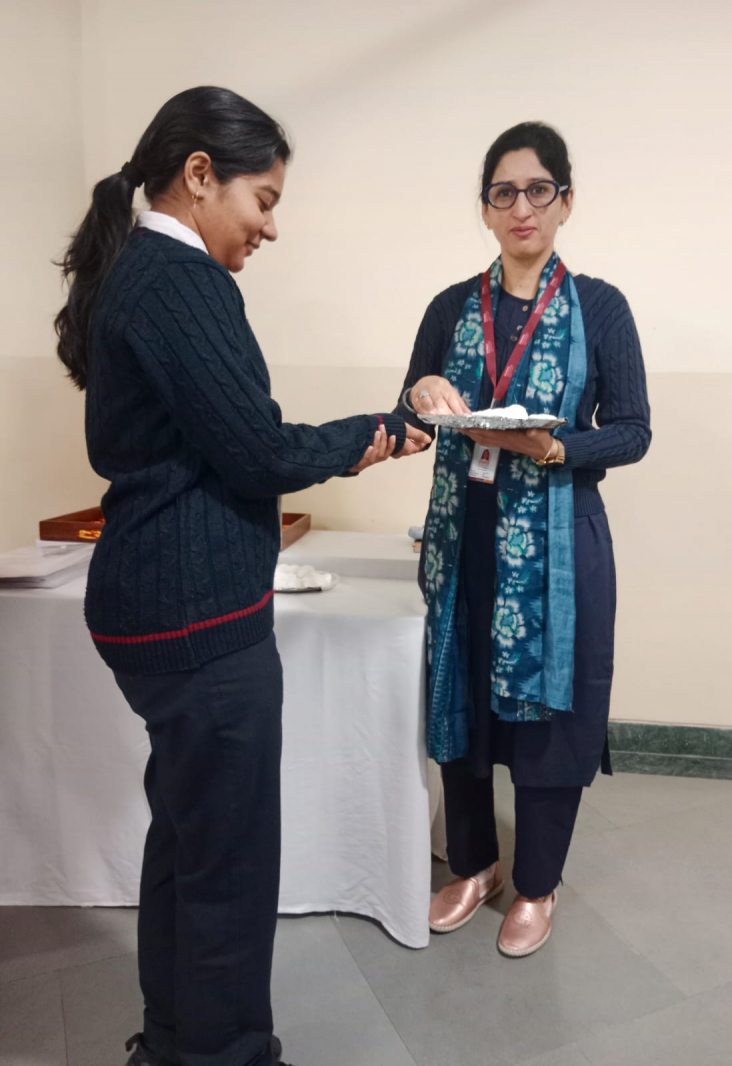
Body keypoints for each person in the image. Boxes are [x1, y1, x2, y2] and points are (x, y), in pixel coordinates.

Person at [54, 85, 429, 1066]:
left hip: (153, 605)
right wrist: (376, 432)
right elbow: (257, 451)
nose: (270, 226)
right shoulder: (181, 281)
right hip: (194, 616)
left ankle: (172, 1043)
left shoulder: (138, 272)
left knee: (188, 841)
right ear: (198, 176)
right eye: (262, 200)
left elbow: (222, 442)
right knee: (227, 862)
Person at [397, 122, 650, 958]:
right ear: (485, 209)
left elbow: (634, 430)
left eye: (539, 189)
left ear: (566, 201)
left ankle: (536, 883)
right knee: (461, 704)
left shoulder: (599, 307)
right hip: (464, 543)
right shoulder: (449, 307)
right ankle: (475, 866)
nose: (521, 207)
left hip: (558, 550)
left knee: (549, 721)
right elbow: (411, 413)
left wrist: (552, 447)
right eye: (503, 192)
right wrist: (421, 392)